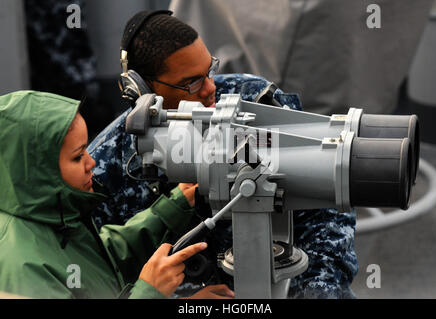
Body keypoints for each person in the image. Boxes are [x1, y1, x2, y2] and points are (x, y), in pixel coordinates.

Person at [88, 10, 357, 298]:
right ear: (143, 91)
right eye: (192, 82)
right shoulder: (105, 167)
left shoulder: (253, 100)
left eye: (210, 71)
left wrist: (316, 290)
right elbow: (97, 279)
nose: (211, 89)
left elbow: (327, 199)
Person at [0, 90, 234, 299]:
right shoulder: (25, 270)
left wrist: (177, 203)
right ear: (39, 171)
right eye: (77, 156)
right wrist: (150, 291)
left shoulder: (52, 218)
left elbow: (100, 264)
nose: (91, 162)